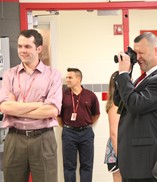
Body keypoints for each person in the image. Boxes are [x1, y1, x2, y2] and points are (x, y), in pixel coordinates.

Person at [0, 29, 62, 182]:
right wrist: (38, 105)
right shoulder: (9, 75)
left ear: (38, 49)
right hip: (15, 137)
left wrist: (17, 107)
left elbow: (52, 110)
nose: (22, 51)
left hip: (43, 138)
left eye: (27, 46)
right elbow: (4, 107)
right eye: (20, 46)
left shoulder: (53, 75)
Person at [113, 32, 157, 182]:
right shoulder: (146, 77)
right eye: (136, 53)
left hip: (145, 162)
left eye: (141, 52)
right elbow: (119, 101)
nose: (138, 57)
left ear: (156, 50)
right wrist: (126, 73)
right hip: (135, 161)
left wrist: (123, 74)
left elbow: (135, 106)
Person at [60, 68, 100, 182]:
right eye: (67, 77)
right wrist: (68, 127)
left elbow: (96, 114)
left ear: (78, 79)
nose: (67, 80)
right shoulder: (63, 96)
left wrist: (86, 124)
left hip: (86, 133)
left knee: (87, 166)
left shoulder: (90, 95)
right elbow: (58, 116)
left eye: (70, 77)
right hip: (68, 133)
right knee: (69, 166)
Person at [104, 71, 122, 182]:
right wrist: (120, 157)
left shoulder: (120, 103)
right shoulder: (115, 106)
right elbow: (114, 133)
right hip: (117, 150)